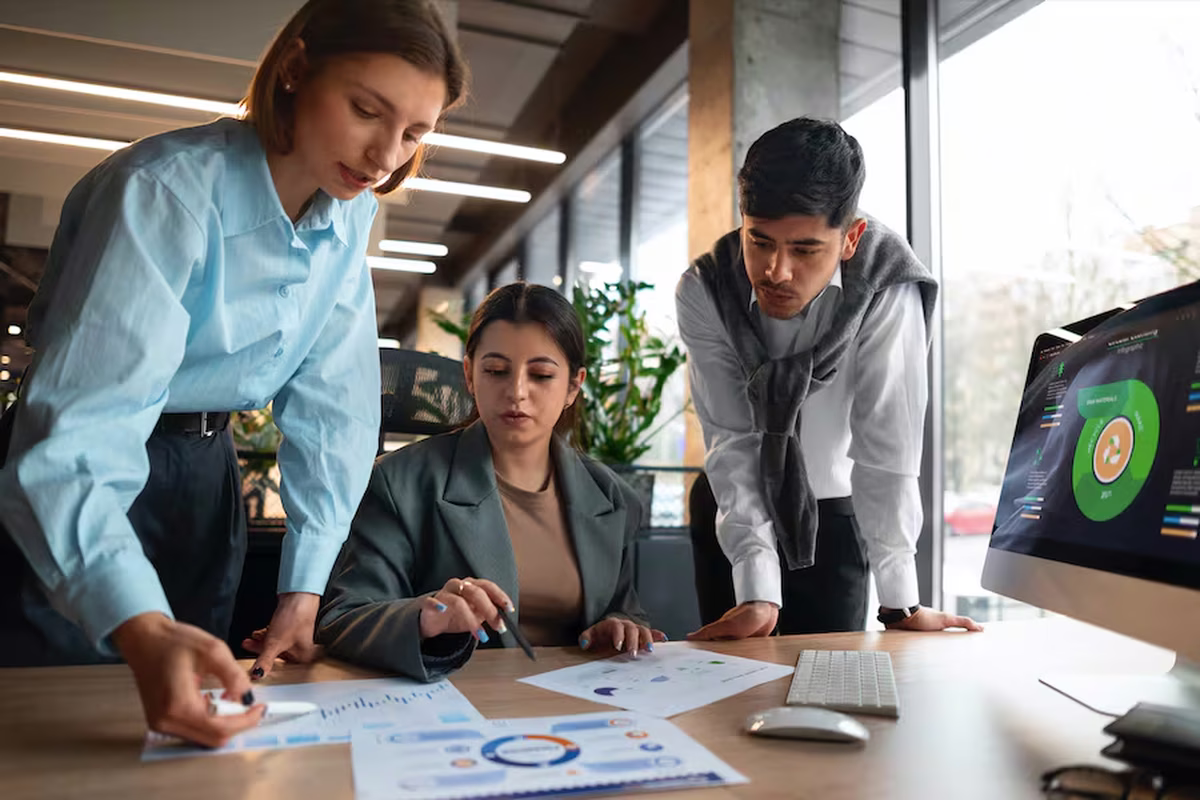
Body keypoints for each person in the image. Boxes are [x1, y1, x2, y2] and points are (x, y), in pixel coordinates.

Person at [0, 0, 465, 747]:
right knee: (60, 727)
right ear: (294, 70)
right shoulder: (165, 190)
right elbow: (77, 440)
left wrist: (304, 587)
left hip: (206, 478)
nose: (385, 157)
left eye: (414, 134)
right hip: (90, 476)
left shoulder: (347, 214)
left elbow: (335, 408)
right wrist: (136, 623)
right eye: (365, 110)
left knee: (193, 731)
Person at [676, 117, 983, 639]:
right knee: (728, 689)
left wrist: (901, 604)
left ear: (850, 239)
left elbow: (888, 445)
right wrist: (755, 584)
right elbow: (733, 438)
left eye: (804, 249)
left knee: (827, 689)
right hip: (730, 504)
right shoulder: (704, 290)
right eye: (760, 241)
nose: (777, 271)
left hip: (835, 516)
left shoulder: (887, 285)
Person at [317, 282, 663, 681]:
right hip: (457, 710)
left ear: (573, 386)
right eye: (496, 371)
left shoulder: (610, 495)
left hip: (586, 708)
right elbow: (343, 618)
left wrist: (619, 624)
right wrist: (426, 617)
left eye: (541, 375)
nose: (516, 392)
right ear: (468, 373)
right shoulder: (400, 482)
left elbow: (625, 607)